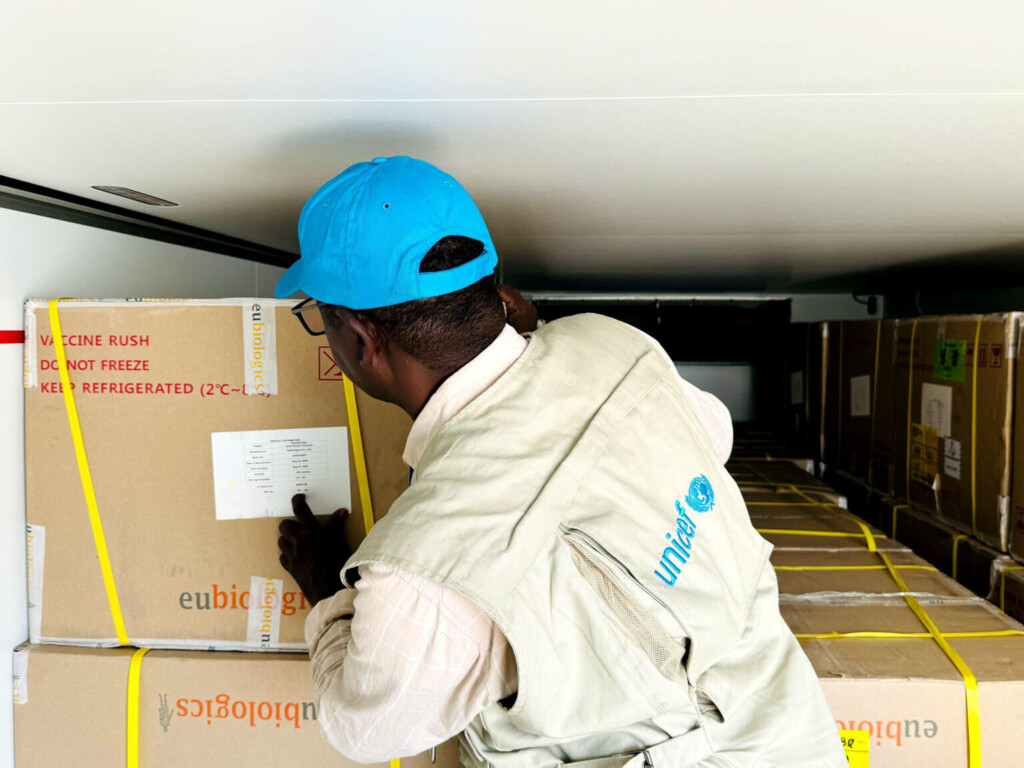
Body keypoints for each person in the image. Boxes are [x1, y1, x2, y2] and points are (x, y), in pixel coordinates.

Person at [275, 156, 846, 768]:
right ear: (488, 286)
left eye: (320, 319)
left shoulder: (425, 570)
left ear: (361, 340)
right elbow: (712, 434)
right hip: (785, 731)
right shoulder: (613, 342)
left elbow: (367, 730)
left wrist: (328, 596)